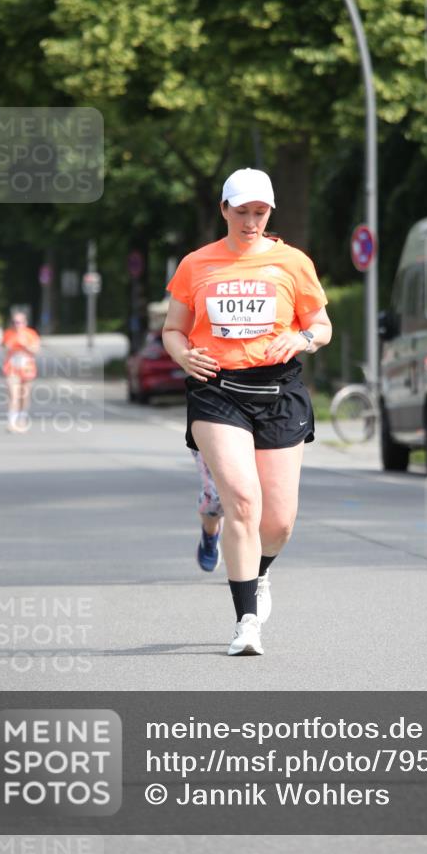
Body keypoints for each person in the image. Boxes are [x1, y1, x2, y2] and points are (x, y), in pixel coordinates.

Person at [162, 168, 332, 656]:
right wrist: (181, 354)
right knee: (241, 498)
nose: (251, 221)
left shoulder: (293, 263)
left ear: (270, 213)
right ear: (224, 210)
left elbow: (321, 327)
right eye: (242, 212)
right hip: (217, 390)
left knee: (278, 520)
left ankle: (259, 573)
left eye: (260, 213)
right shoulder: (197, 264)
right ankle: (246, 623)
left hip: (278, 391)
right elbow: (174, 329)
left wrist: (301, 338)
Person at [2, 310, 41, 433]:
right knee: (13, 395)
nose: (17, 325)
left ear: (25, 322)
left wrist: (25, 345)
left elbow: (36, 350)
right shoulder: (8, 333)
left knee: (24, 396)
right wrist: (7, 347)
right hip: (12, 369)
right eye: (14, 322)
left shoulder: (31, 334)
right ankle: (11, 422)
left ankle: (22, 418)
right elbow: (3, 348)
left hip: (27, 369)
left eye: (19, 322)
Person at [192, 449, 224, 572]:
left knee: (250, 500)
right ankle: (210, 533)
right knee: (214, 499)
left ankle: (249, 564)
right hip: (213, 431)